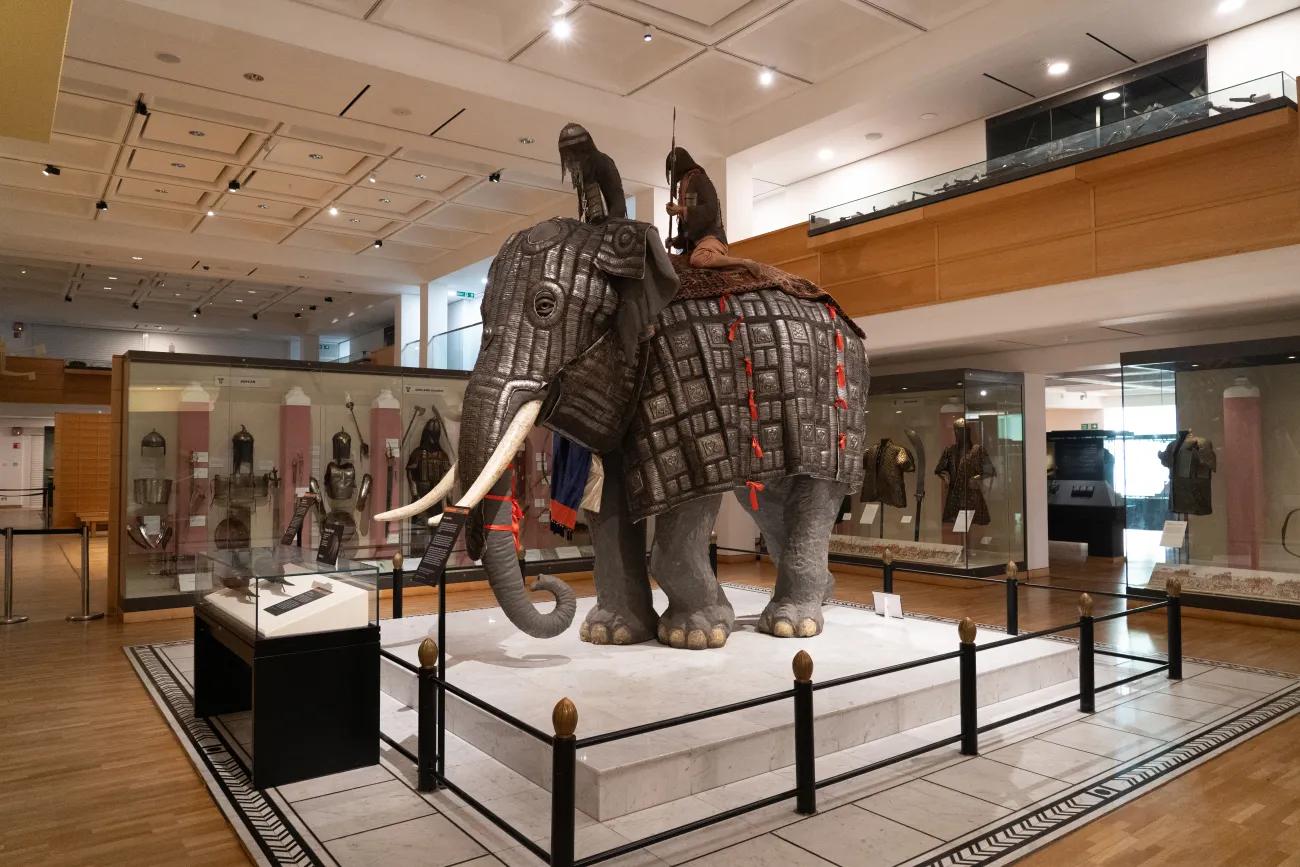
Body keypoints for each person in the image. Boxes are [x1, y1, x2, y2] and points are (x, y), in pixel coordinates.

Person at [664, 146, 762, 276]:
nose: (673, 174)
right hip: (695, 245)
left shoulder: (700, 179)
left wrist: (681, 209)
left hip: (711, 239)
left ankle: (743, 263)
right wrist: (675, 241)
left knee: (698, 259)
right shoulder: (684, 185)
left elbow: (710, 209)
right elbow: (688, 231)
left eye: (673, 169)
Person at [558, 122, 626, 224]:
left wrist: (609, 229)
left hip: (608, 227)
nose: (568, 159)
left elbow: (618, 202)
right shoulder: (581, 173)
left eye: (570, 152)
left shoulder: (603, 162)